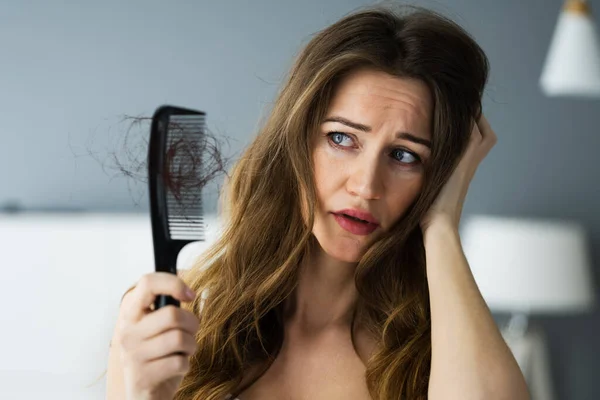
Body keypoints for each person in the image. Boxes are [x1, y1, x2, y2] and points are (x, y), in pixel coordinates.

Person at [106, 3, 530, 400]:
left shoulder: (440, 354)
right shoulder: (174, 319)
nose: (366, 186)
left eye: (405, 155)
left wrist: (441, 225)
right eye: (341, 139)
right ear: (294, 143)